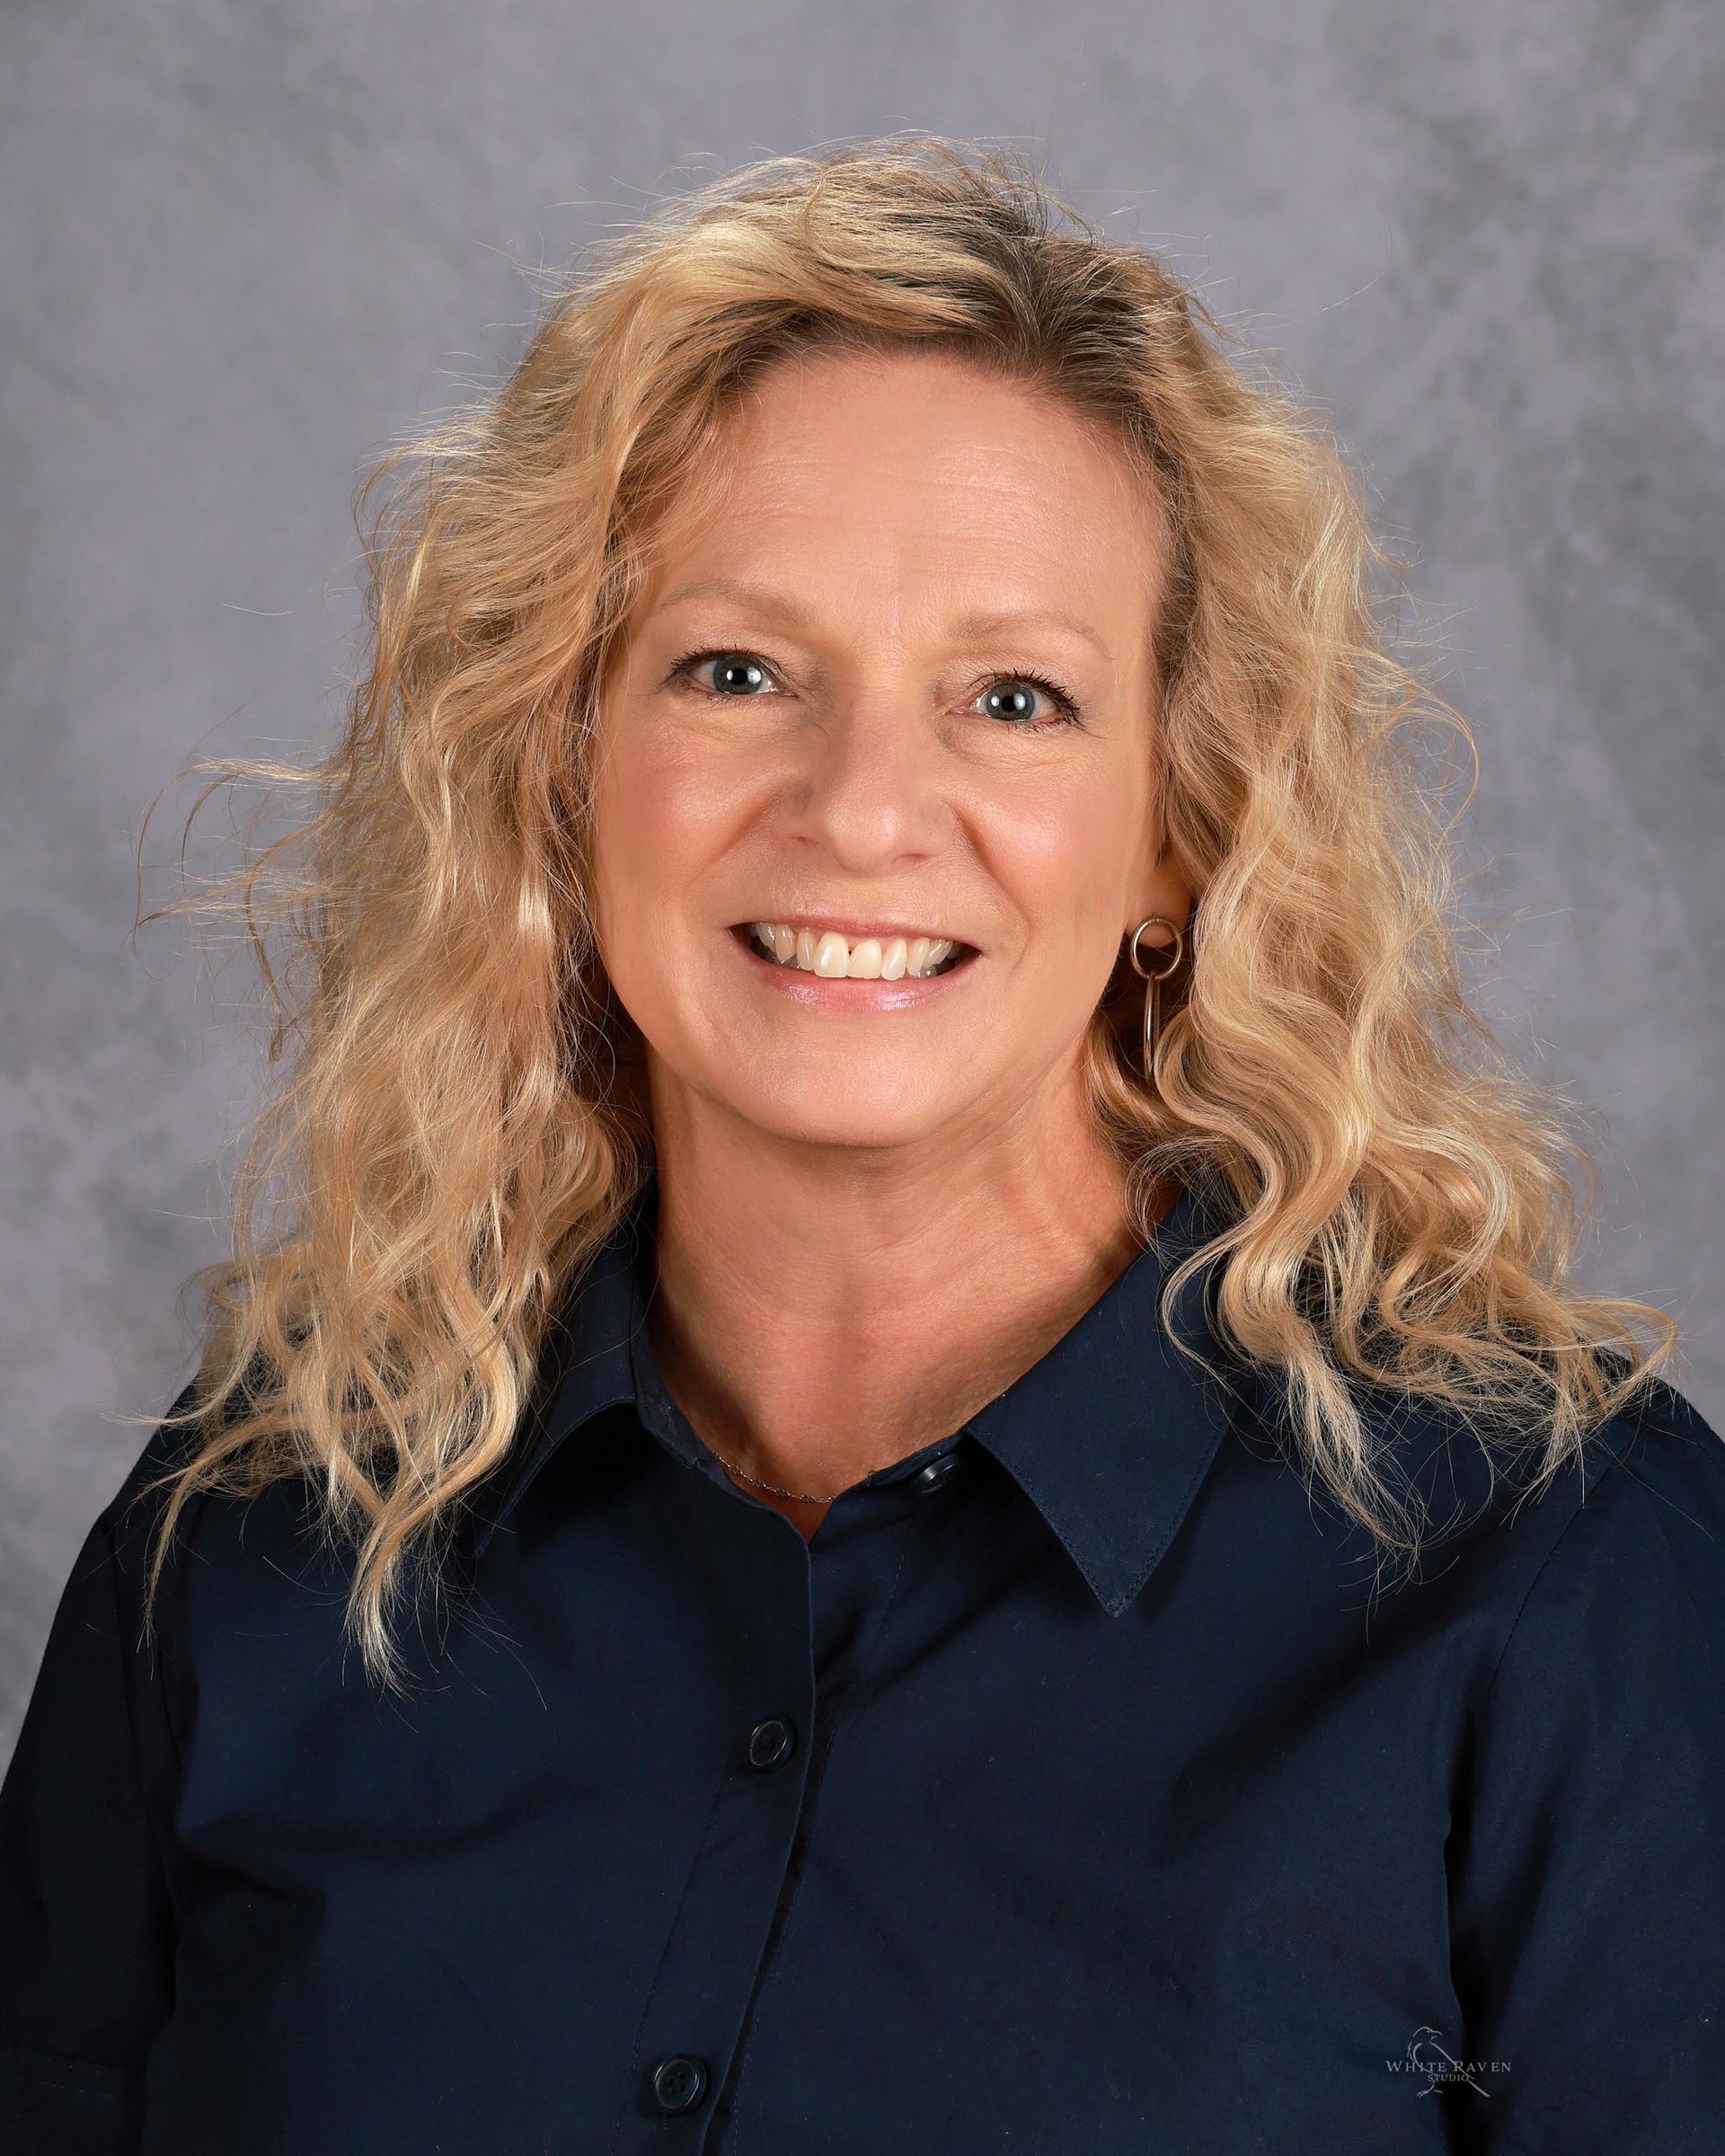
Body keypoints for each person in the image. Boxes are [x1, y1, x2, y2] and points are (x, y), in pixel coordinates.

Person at [2, 136, 1721, 2155]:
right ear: (561, 772)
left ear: (1179, 833)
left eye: (1014, 695)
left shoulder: (1571, 1576)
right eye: (736, 670)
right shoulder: (259, 1534)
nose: (865, 805)